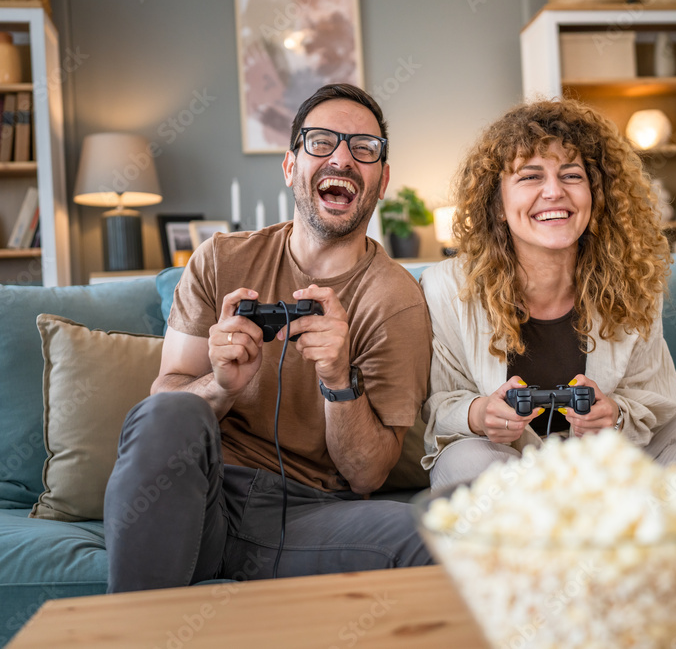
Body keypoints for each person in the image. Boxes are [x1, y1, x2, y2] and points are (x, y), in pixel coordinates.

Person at [104, 84, 433, 593]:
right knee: (171, 410)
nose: (343, 158)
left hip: (309, 518)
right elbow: (163, 405)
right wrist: (221, 385)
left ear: (382, 179)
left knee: (432, 538)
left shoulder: (398, 300)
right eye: (321, 141)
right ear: (289, 166)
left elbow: (367, 475)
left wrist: (337, 379)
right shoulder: (219, 258)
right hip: (200, 497)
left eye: (363, 148)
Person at [420, 98, 676, 493]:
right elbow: (438, 406)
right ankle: (617, 523)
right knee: (466, 463)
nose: (554, 192)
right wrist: (479, 414)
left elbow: (652, 397)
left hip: (607, 463)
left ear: (596, 195)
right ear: (498, 205)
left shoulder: (632, 281)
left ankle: (571, 521)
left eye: (572, 175)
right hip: (508, 462)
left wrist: (615, 414)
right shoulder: (447, 288)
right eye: (530, 177)